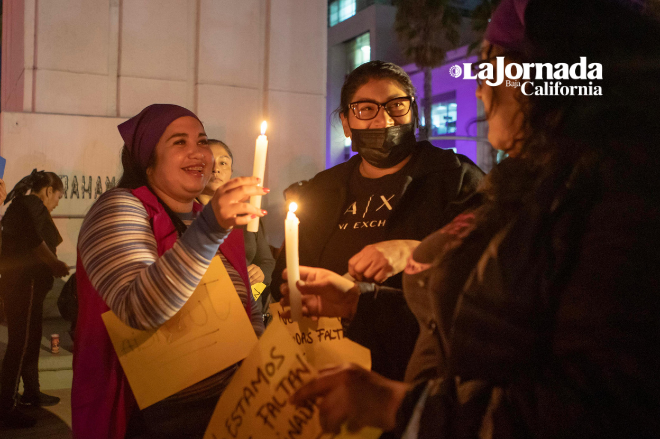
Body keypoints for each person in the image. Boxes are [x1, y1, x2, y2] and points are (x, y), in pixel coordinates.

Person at [280, 0, 660, 437]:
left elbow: (602, 405)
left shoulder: (616, 201)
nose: (481, 86)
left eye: (491, 62)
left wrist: (401, 407)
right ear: (346, 122)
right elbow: (454, 316)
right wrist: (355, 301)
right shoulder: (533, 183)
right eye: (365, 110)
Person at [271, 61, 484, 382]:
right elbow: (281, 280)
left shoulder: (454, 178)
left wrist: (415, 252)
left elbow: (485, 274)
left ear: (414, 112)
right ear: (345, 122)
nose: (384, 119)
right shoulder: (321, 189)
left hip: (419, 372)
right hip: (328, 368)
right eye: (365, 109)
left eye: (396, 106)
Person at [72, 104, 268, 439]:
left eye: (202, 141)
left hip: (227, 412)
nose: (199, 153)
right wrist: (209, 230)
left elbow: (246, 313)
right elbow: (140, 308)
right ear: (147, 160)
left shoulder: (208, 219)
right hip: (152, 420)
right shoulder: (119, 207)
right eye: (179, 142)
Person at [0, 170, 69, 429]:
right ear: (49, 190)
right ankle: (6, 405)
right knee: (21, 342)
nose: (57, 202)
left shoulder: (24, 206)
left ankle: (31, 391)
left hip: (27, 284)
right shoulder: (31, 204)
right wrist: (54, 263)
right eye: (58, 196)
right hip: (24, 283)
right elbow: (34, 241)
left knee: (29, 338)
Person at [197, 140, 276, 312]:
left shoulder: (246, 213)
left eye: (223, 163)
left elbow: (268, 263)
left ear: (231, 172)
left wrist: (259, 280)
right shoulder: (189, 216)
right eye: (208, 162)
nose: (216, 169)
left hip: (248, 306)